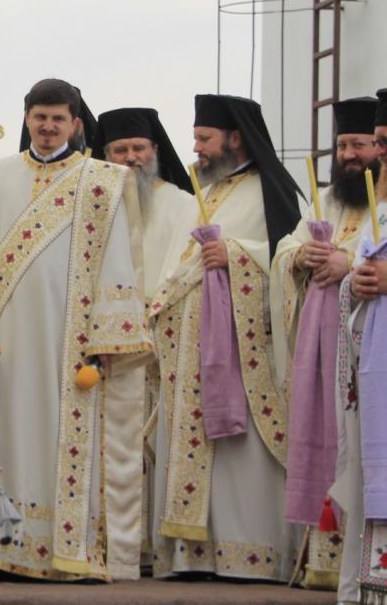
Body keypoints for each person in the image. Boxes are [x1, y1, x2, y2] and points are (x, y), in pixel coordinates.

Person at [0, 78, 151, 582]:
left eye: (57, 118)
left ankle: (68, 550)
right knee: (7, 432)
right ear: (27, 119)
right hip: (7, 336)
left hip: (69, 338)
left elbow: (118, 260)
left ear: (75, 123)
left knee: (63, 439)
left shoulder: (102, 180)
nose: (48, 126)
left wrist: (105, 339)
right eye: (40, 117)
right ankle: (4, 549)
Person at [146, 94, 302, 581]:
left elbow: (289, 260)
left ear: (236, 138)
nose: (197, 148)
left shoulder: (271, 190)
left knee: (241, 454)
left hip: (243, 353)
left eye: (205, 138)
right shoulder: (203, 193)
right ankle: (192, 555)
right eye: (195, 138)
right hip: (187, 348)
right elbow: (174, 266)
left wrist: (235, 254)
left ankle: (248, 553)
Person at [269, 97, 376, 591]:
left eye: (360, 144)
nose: (349, 155)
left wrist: (349, 264)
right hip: (322, 351)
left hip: (370, 349)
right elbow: (287, 248)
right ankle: (325, 564)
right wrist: (302, 257)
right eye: (342, 145)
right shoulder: (327, 200)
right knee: (326, 436)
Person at [92, 106, 197, 579]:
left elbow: (185, 264)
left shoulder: (182, 203)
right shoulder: (94, 202)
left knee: (153, 447)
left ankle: (149, 547)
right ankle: (111, 546)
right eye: (120, 150)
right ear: (106, 155)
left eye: (138, 148)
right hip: (107, 347)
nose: (130, 158)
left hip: (160, 342)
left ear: (155, 151)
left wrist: (152, 312)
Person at [332, 89, 387, 605]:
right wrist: (355, 285)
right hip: (380, 384)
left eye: (386, 141)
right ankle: (366, 591)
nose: (378, 153)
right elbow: (358, 284)